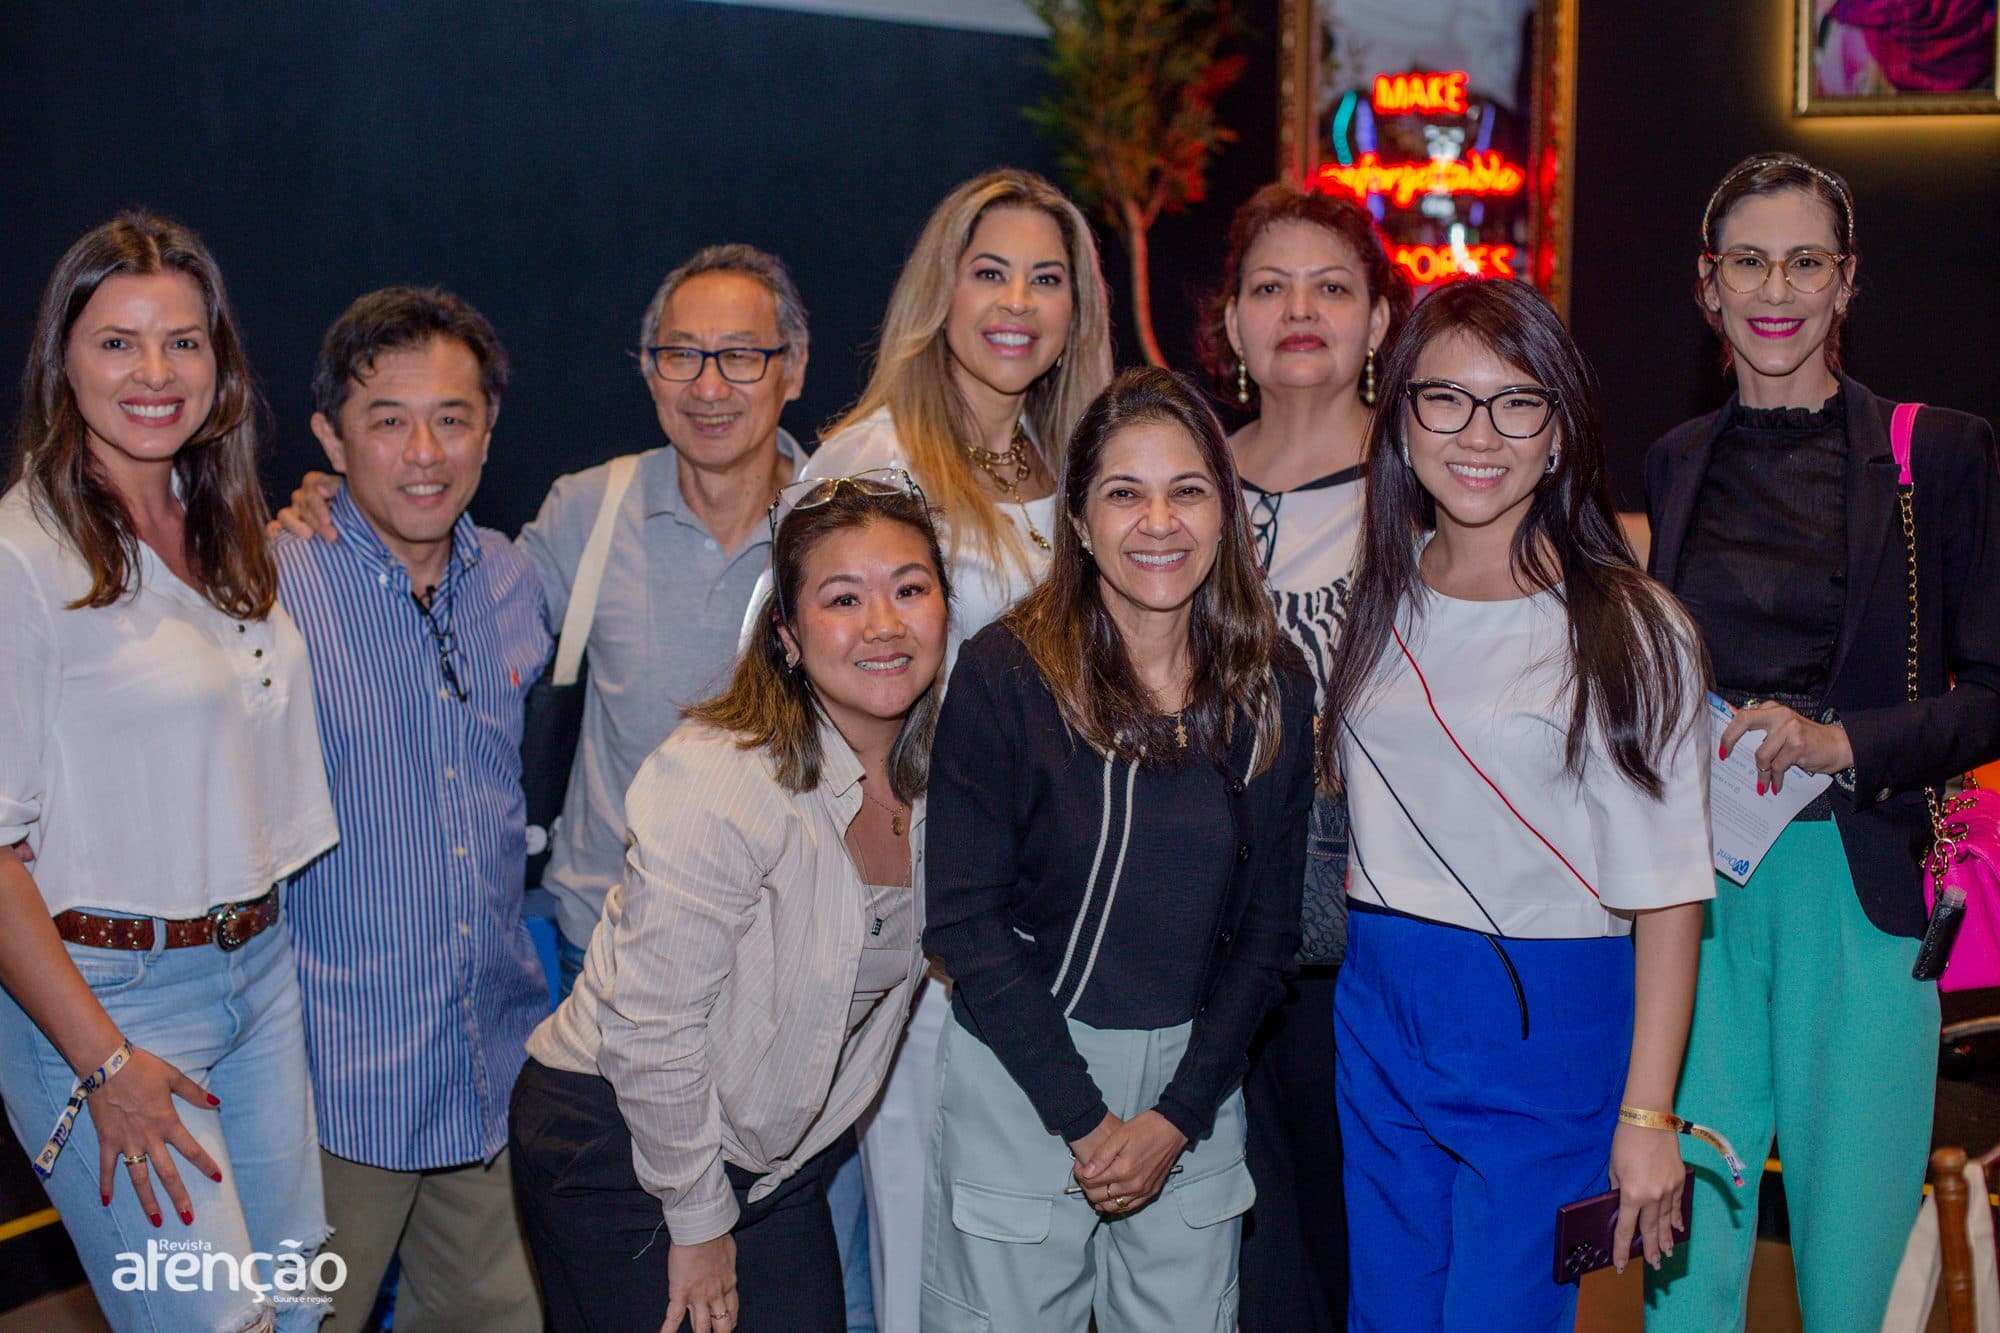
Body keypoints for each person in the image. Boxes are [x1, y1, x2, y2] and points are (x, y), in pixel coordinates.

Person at [1642, 152, 2000, 1331]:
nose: (1773, 289)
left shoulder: (1934, 452)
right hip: (1694, 900)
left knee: (1848, 1272)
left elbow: (1990, 691)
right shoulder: (1674, 460)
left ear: (1844, 281)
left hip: (1858, 892)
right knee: (1683, 1261)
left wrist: (1840, 741)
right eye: (1747, 261)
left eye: (1803, 261)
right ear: (1707, 283)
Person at [1320, 277, 1712, 1331]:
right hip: (1378, 999)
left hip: (1545, 1011)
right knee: (1385, 1315)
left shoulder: (1631, 626)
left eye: (1517, 401)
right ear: (1402, 419)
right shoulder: (1381, 591)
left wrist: (1647, 1115)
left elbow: (1671, 892)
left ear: (1560, 430)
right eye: (1445, 398)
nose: (1479, 433)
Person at [764, 166, 1112, 1333]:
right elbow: (791, 677)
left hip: (1062, 905)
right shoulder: (871, 461)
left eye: (1045, 278)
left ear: (1075, 309)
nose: (1016, 303)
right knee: (927, 1234)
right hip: (925, 909)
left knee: (1040, 1237)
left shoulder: (1075, 463)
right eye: (989, 272)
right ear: (940, 292)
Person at [277, 244, 810, 998]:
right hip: (604, 953)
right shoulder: (585, 512)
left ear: (794, 368)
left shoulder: (847, 524)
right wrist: (338, 500)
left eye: (742, 355)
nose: (709, 385)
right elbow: (445, 585)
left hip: (789, 954)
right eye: (681, 355)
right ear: (648, 369)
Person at [921, 367, 1315, 1330]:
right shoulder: (1005, 674)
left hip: (1196, 1086)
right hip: (1026, 1071)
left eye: (1188, 490)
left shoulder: (1272, 684)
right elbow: (965, 923)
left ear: (1226, 513)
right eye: (1125, 492)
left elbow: (1269, 935)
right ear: (1080, 520)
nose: (1159, 522)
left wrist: (1176, 1117)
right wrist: (1088, 1120)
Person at [0, 213, 338, 1330]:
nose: (155, 371)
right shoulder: (19, 554)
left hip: (259, 975)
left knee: (297, 1311)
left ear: (218, 361)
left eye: (182, 341)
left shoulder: (223, 526)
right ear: (62, 361)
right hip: (110, 1005)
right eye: (118, 342)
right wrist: (104, 1066)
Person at [509, 476, 949, 1333]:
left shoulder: (943, 778)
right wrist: (698, 1218)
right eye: (843, 598)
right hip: (621, 1140)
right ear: (786, 635)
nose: (884, 624)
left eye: (909, 588)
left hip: (770, 1162)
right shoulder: (721, 775)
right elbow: (650, 1028)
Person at [276, 287, 551, 1332]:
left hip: (488, 1069)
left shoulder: (513, 579)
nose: (424, 452)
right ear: (330, 437)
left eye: (452, 418)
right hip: (332, 1087)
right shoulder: (265, 586)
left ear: (489, 426)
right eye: (387, 420)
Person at [1195, 181, 1410, 1331]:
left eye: (1330, 288)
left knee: (1357, 1246)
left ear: (1378, 319)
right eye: (1268, 287)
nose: (1298, 311)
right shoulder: (1182, 483)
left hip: (1370, 929)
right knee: (1239, 1263)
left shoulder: (1428, 483)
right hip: (1199, 924)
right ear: (1229, 320)